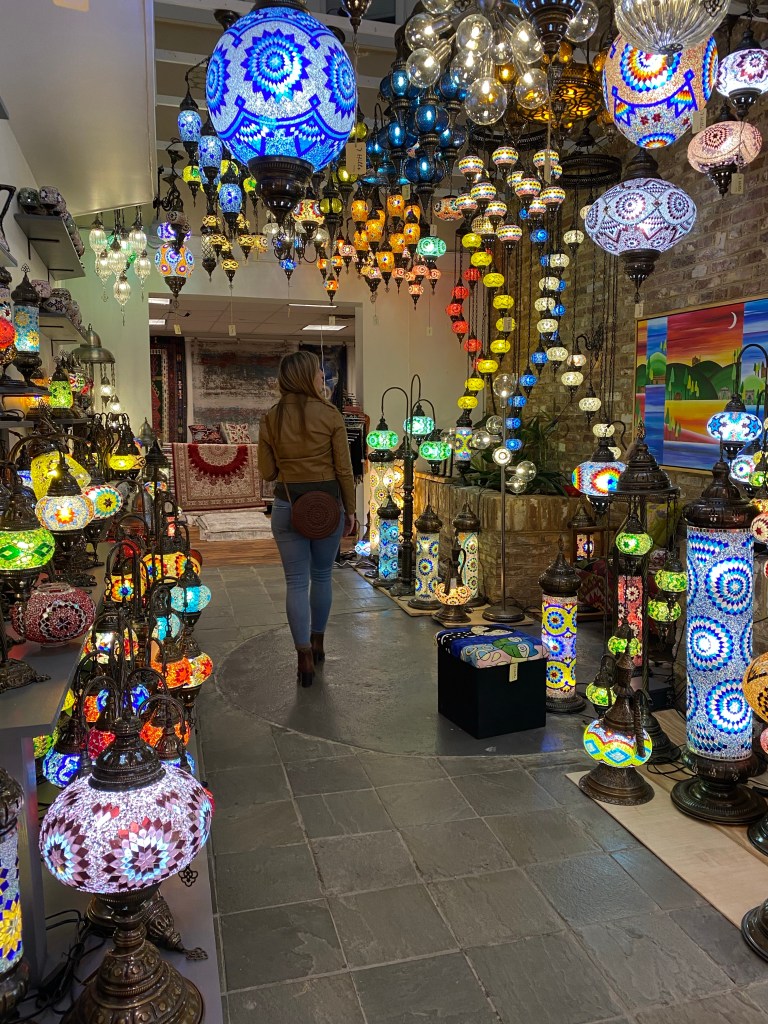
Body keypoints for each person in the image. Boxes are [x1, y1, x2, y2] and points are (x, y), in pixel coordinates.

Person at [258, 351, 356, 687]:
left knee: (296, 582)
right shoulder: (330, 414)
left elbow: (268, 471)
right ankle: (318, 642)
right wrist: (350, 510)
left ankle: (303, 657)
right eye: (318, 373)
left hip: (287, 507)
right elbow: (344, 469)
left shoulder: (271, 418)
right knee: (322, 576)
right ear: (306, 377)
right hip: (327, 509)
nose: (321, 378)